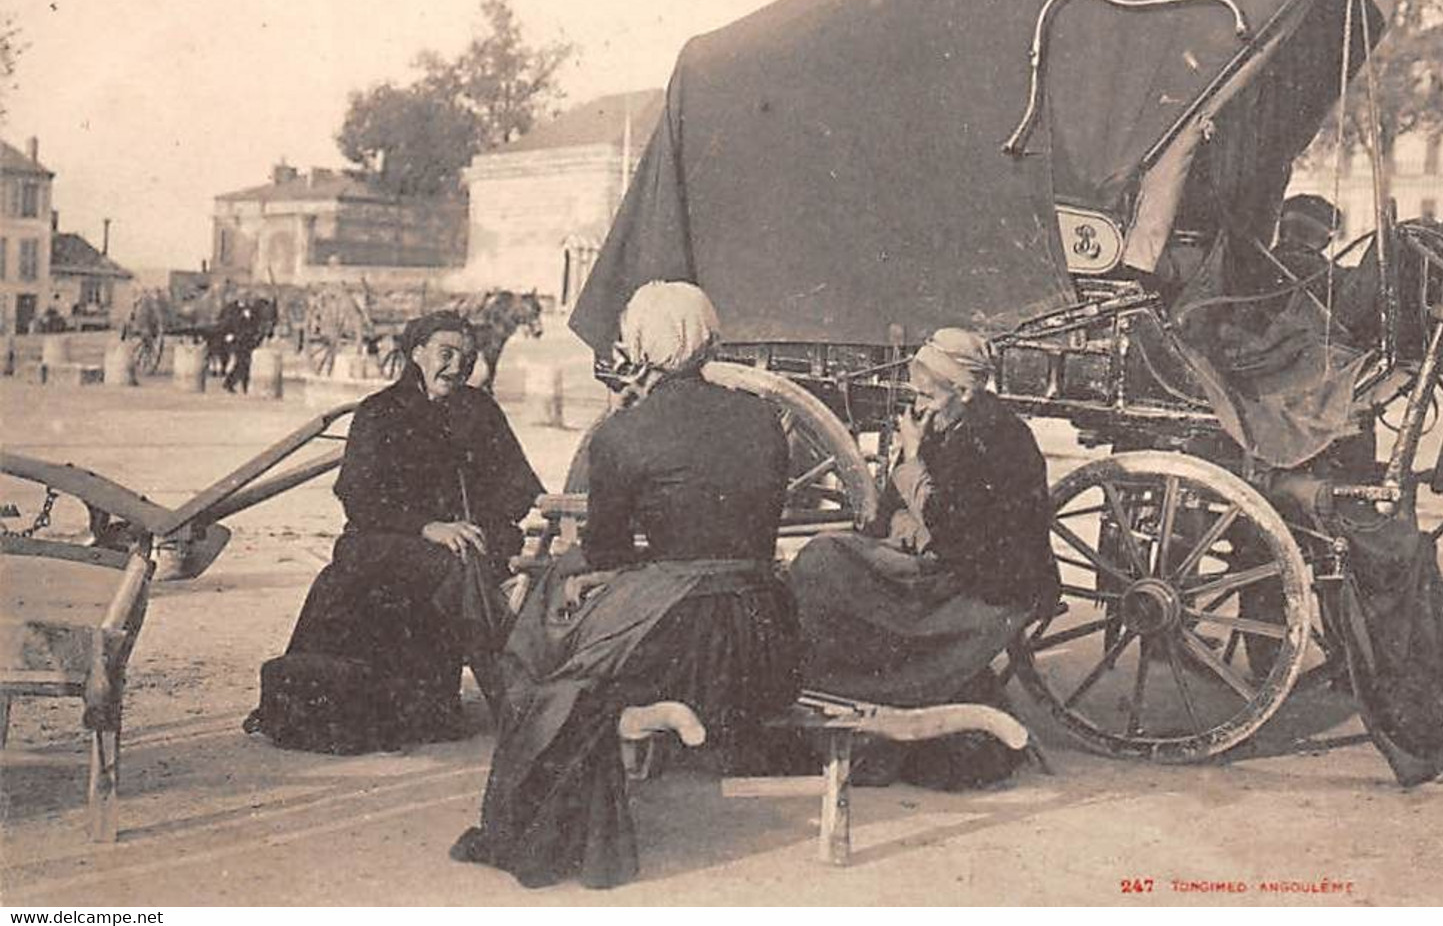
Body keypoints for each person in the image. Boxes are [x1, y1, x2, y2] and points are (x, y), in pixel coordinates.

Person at [450, 281, 800, 890]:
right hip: (762, 630)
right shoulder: (764, 418)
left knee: (543, 647)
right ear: (708, 340)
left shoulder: (626, 432)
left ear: (639, 346)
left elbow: (606, 550)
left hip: (684, 627)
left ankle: (539, 821)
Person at [246, 310, 543, 752]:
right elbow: (358, 497)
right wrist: (429, 526)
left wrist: (479, 519)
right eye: (445, 353)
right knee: (432, 568)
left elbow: (521, 487)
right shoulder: (379, 412)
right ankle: (507, 704)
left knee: (461, 562)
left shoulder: (480, 410)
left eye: (467, 356)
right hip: (384, 538)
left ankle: (468, 701)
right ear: (417, 353)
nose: (457, 366)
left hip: (466, 538)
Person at [788, 327, 1058, 789]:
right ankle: (844, 701)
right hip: (949, 566)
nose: (920, 404)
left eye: (929, 395)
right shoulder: (948, 421)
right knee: (826, 561)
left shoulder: (999, 439)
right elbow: (908, 507)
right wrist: (902, 516)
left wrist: (913, 461)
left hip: (984, 587)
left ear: (965, 391)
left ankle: (863, 708)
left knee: (823, 564)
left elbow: (954, 528)